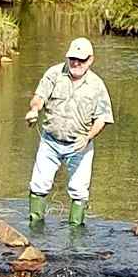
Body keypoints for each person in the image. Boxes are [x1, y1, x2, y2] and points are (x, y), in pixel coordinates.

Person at [25, 37, 114, 226]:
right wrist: (34, 110)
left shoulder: (97, 85)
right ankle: (35, 228)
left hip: (80, 145)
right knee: (39, 185)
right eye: (72, 58)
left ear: (90, 60)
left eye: (81, 60)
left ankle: (76, 237)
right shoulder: (54, 74)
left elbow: (103, 118)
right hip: (50, 141)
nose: (76, 63)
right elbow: (39, 97)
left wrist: (88, 137)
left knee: (79, 190)